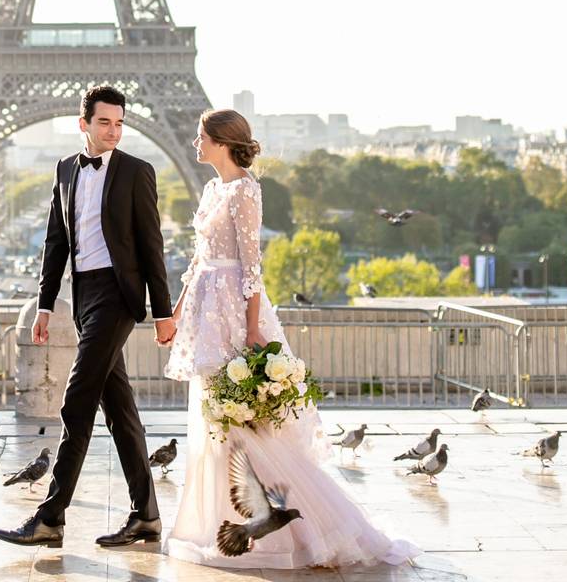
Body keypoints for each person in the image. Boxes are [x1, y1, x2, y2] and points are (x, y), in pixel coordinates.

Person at [163, 109, 420, 568]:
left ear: (222, 141)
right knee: (214, 422)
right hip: (206, 313)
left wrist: (254, 330)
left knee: (241, 425)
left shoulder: (245, 190)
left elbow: (250, 267)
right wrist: (174, 314)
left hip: (231, 318)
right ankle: (217, 527)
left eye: (201, 136)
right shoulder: (212, 188)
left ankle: (288, 530)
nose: (194, 143)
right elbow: (198, 260)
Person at [0, 85, 177, 548]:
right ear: (84, 124)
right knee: (120, 411)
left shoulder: (138, 172)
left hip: (118, 296)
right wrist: (45, 303)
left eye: (119, 123)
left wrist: (163, 313)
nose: (114, 131)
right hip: (85, 296)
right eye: (104, 123)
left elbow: (152, 246)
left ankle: (50, 517)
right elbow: (55, 243)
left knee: (76, 403)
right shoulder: (64, 171)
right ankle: (147, 516)